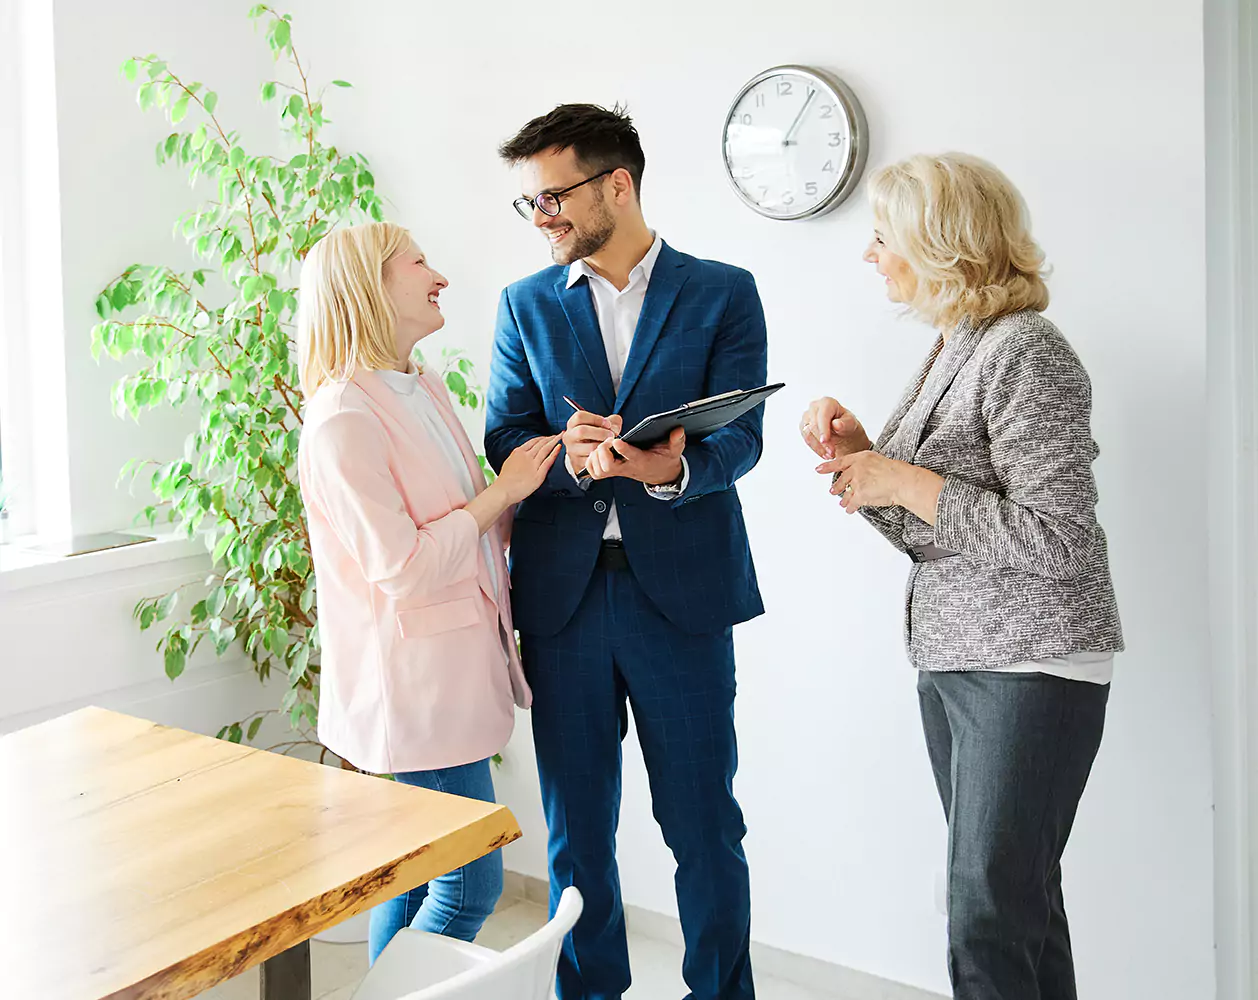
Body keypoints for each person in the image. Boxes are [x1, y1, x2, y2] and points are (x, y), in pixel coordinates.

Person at [800, 153, 1123, 1000]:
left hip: (1031, 664)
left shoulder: (1026, 351)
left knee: (987, 909)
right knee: (1017, 902)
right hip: (958, 658)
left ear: (937, 243)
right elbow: (936, 532)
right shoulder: (959, 342)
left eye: (882, 238)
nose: (871, 255)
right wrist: (865, 461)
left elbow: (1061, 541)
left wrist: (903, 477)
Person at [485, 104, 767, 1000]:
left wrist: (666, 472)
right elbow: (504, 437)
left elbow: (743, 437)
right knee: (576, 835)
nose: (543, 219)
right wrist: (563, 459)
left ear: (618, 184)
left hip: (680, 599)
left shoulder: (723, 290)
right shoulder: (523, 304)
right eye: (528, 204)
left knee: (703, 824)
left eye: (554, 197)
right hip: (563, 605)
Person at [295, 221, 561, 964]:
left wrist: (548, 469)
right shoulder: (343, 417)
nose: (439, 275)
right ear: (368, 286)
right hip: (410, 694)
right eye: (418, 263)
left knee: (416, 885)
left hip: (450, 678)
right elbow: (404, 566)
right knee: (470, 888)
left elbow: (475, 522)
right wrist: (500, 493)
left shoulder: (423, 387)